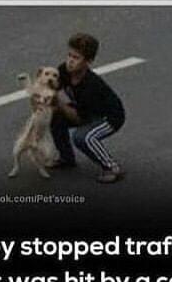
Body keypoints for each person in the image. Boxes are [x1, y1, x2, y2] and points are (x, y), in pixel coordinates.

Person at [50, 33, 126, 183]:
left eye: (76, 58)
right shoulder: (64, 70)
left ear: (88, 61)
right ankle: (66, 158)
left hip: (109, 118)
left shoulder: (90, 86)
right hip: (86, 110)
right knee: (54, 117)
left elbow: (79, 118)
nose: (70, 61)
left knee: (83, 137)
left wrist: (58, 102)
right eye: (69, 55)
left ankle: (112, 168)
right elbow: (53, 86)